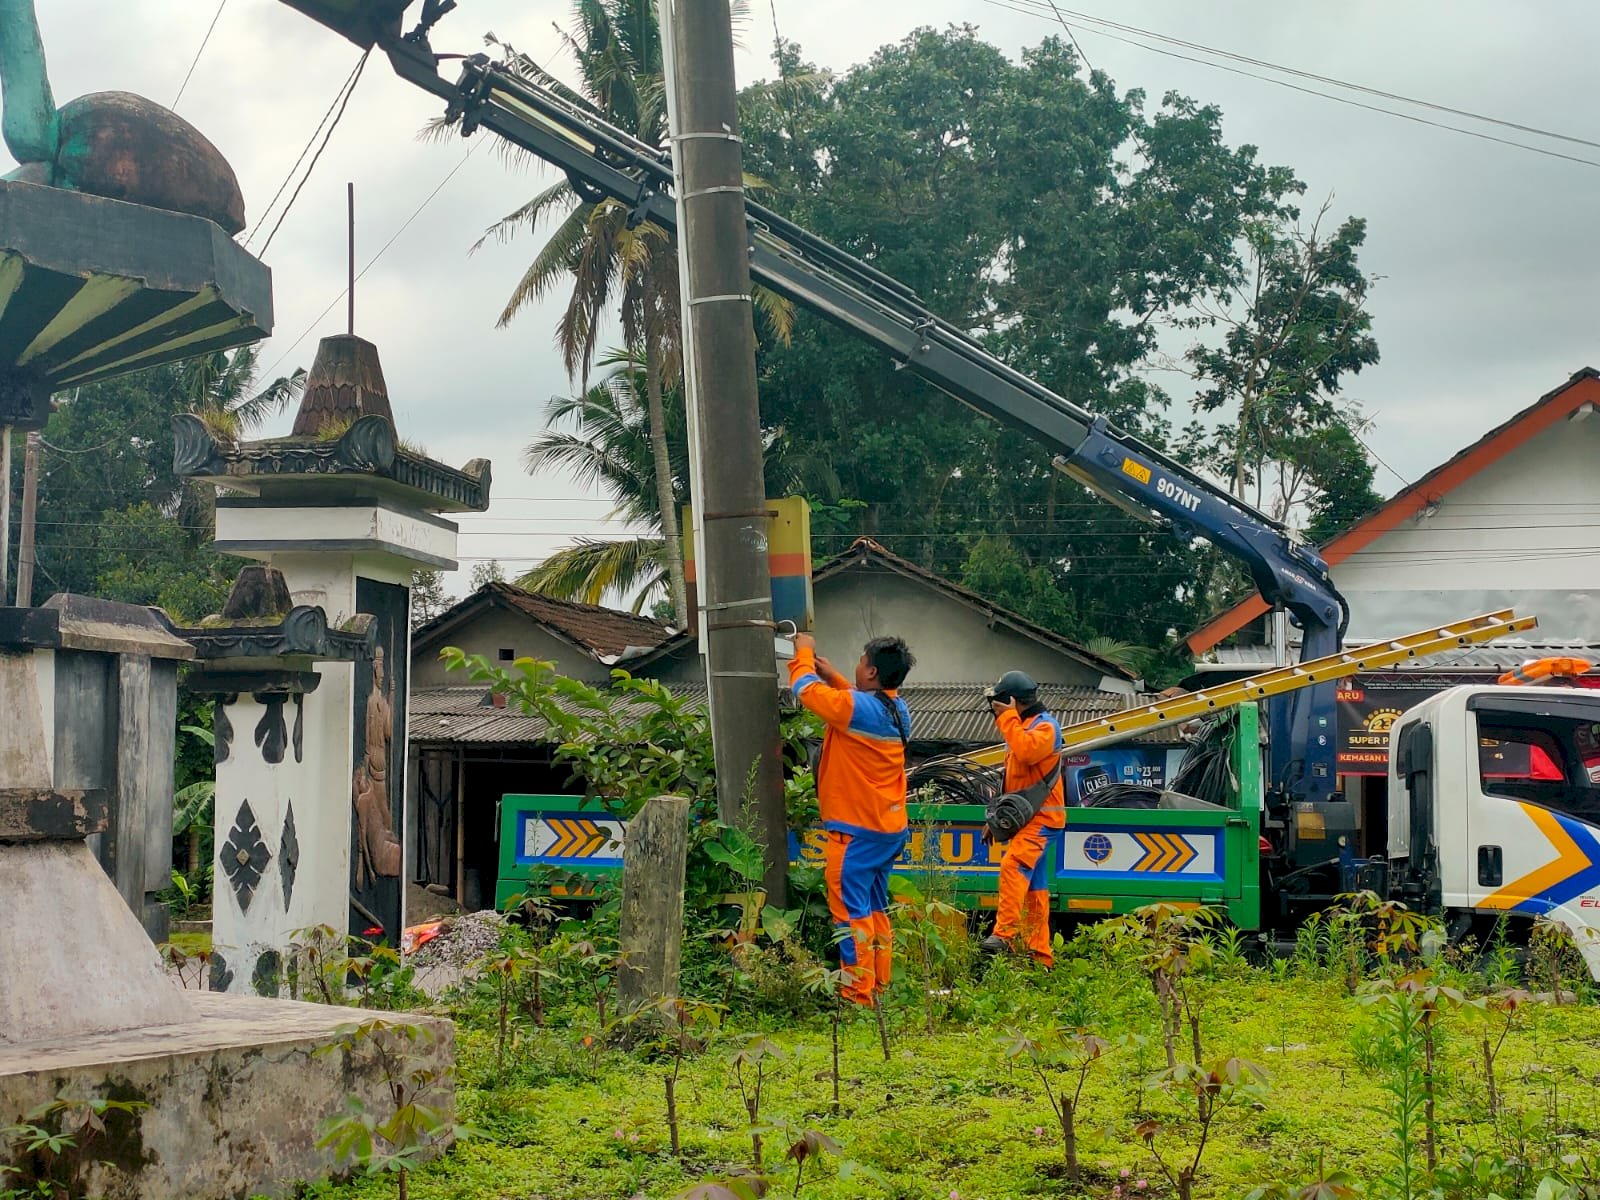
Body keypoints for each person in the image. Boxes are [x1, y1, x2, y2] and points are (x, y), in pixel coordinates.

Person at [788, 632, 915, 1006]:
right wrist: (837, 678)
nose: (856, 665)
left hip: (856, 833)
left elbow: (803, 689)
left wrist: (805, 653)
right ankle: (879, 986)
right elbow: (857, 704)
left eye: (861, 661)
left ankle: (857, 994)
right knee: (875, 909)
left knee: (849, 913)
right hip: (887, 829)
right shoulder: (898, 710)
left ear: (872, 671)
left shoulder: (857, 710)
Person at [980, 669, 1065, 967]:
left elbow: (1027, 753)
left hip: (1043, 821)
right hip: (1027, 820)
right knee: (1034, 889)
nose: (995, 710)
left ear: (1012, 701)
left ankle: (1003, 935)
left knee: (1013, 867)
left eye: (999, 703)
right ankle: (1040, 958)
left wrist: (1007, 717)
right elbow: (1014, 781)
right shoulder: (1023, 726)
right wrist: (996, 822)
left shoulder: (1044, 728)